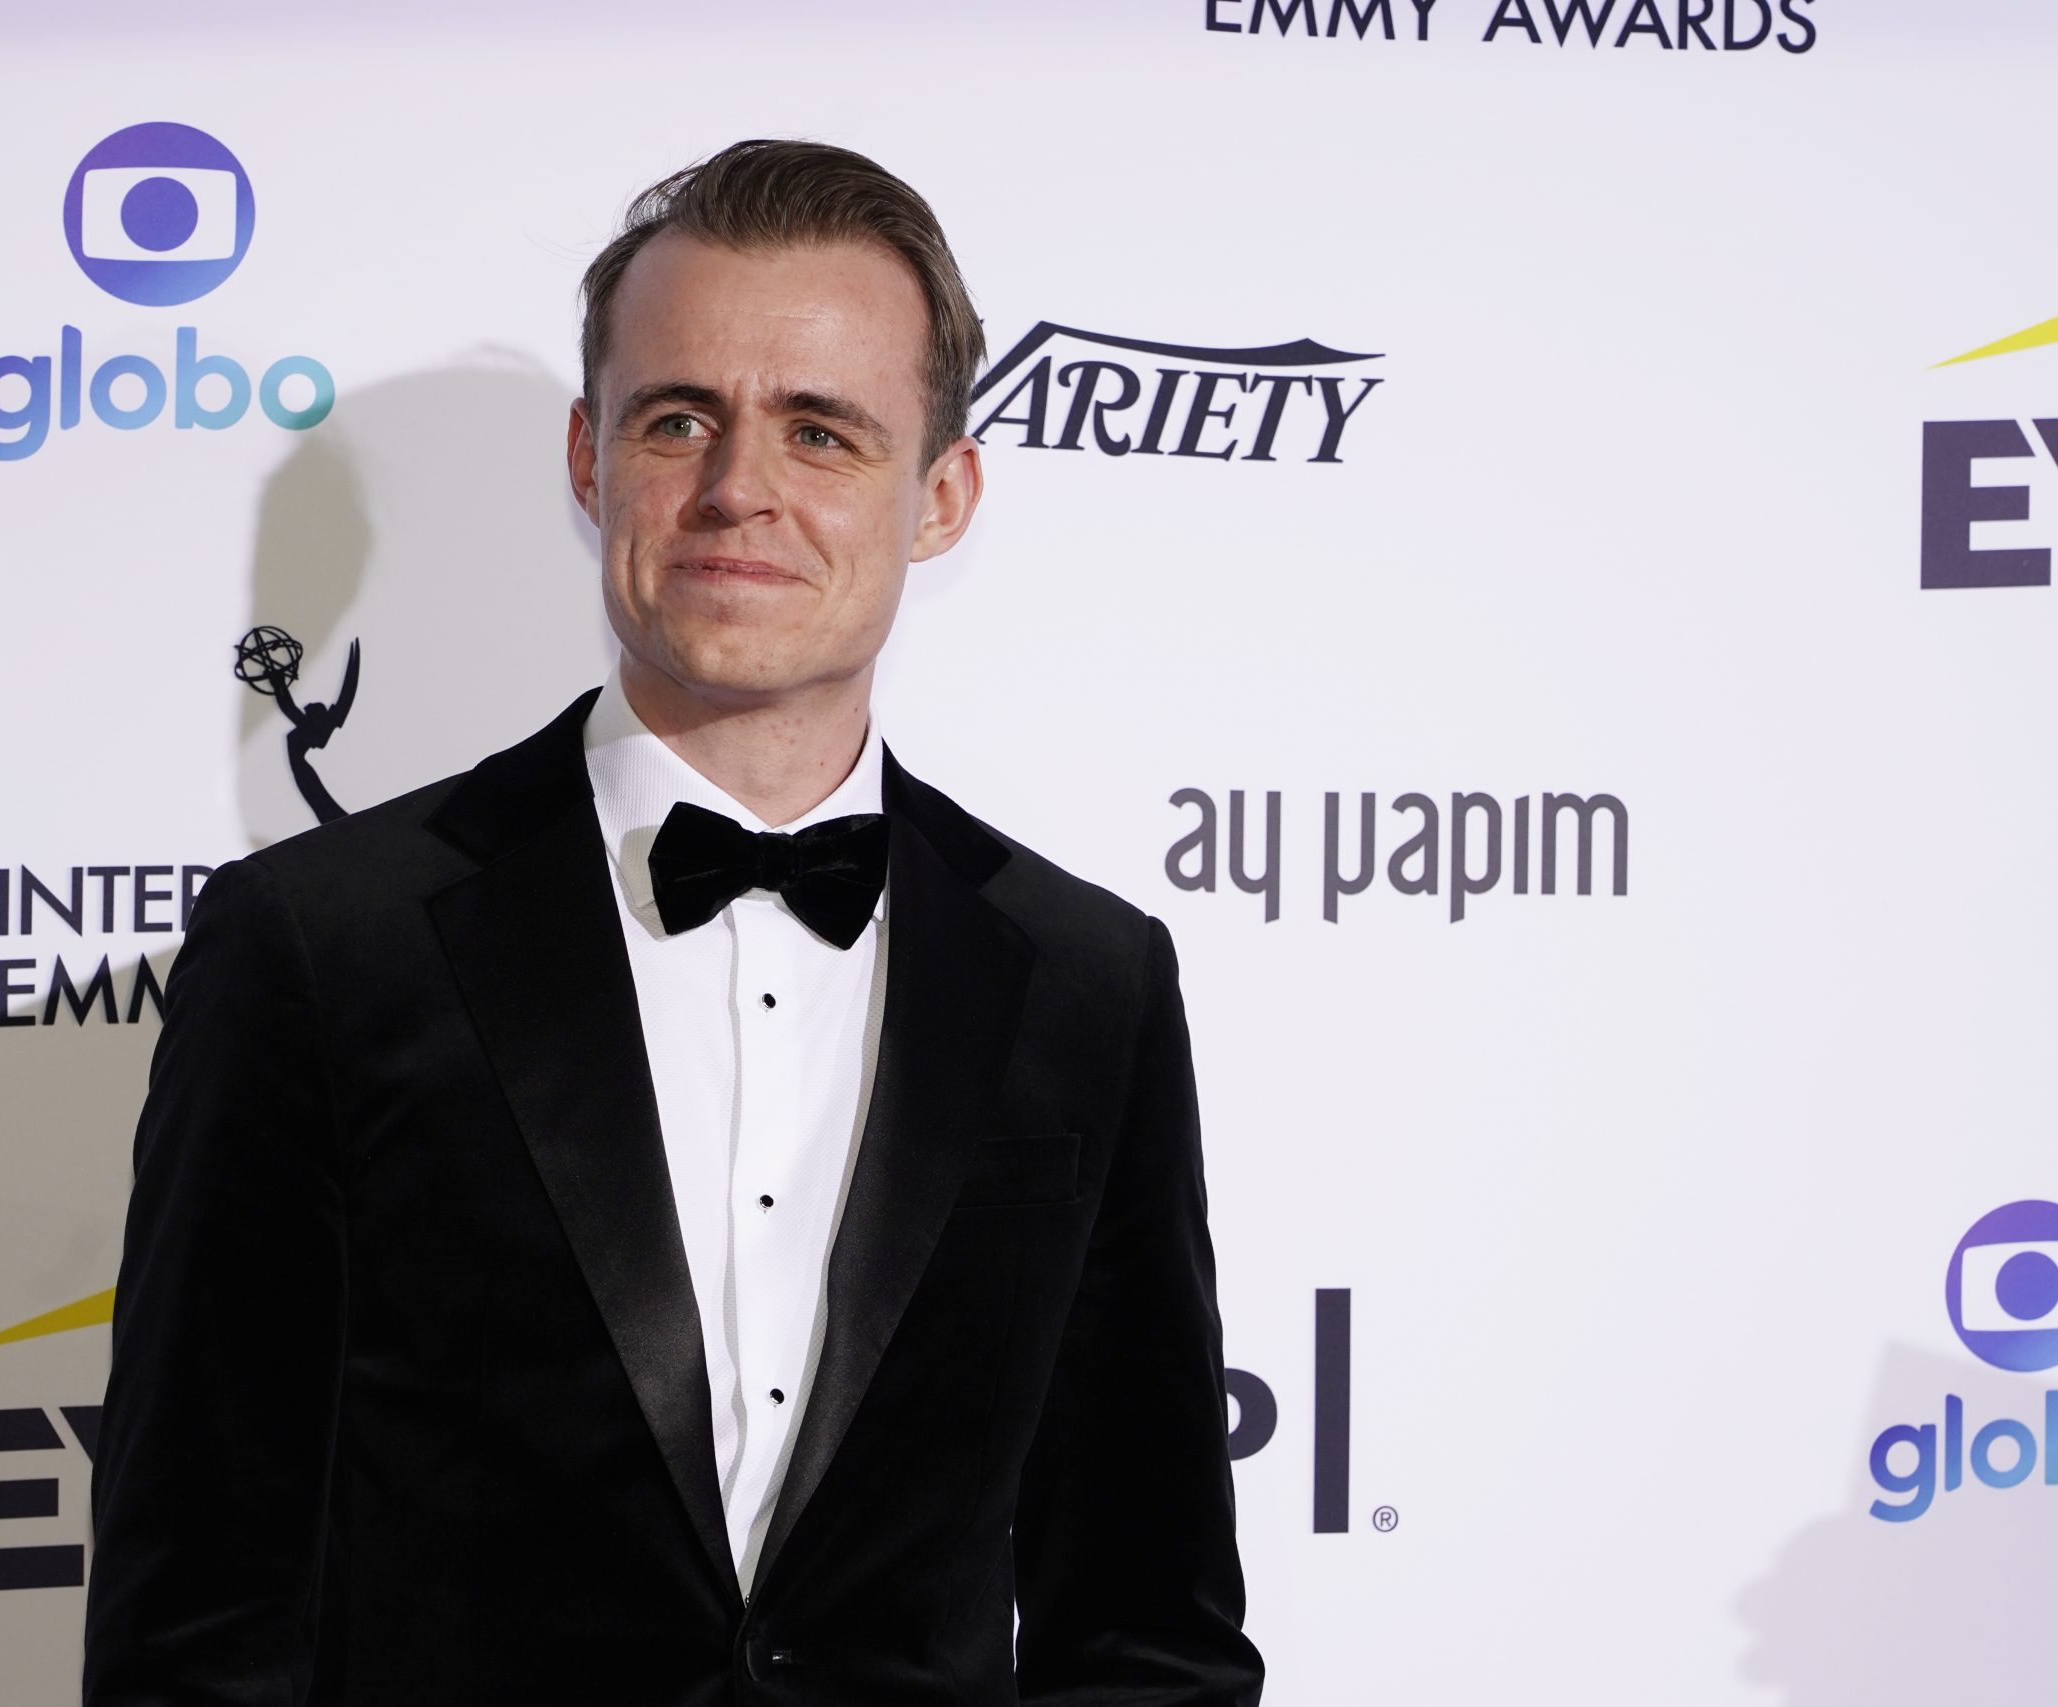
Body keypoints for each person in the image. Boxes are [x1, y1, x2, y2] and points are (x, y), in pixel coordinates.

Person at [83, 138, 1263, 1706]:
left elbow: (1146, 1620)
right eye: (679, 418)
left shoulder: (1086, 979)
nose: (737, 491)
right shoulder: (320, 946)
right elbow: (198, 1621)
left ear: (944, 496)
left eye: (823, 432)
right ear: (590, 459)